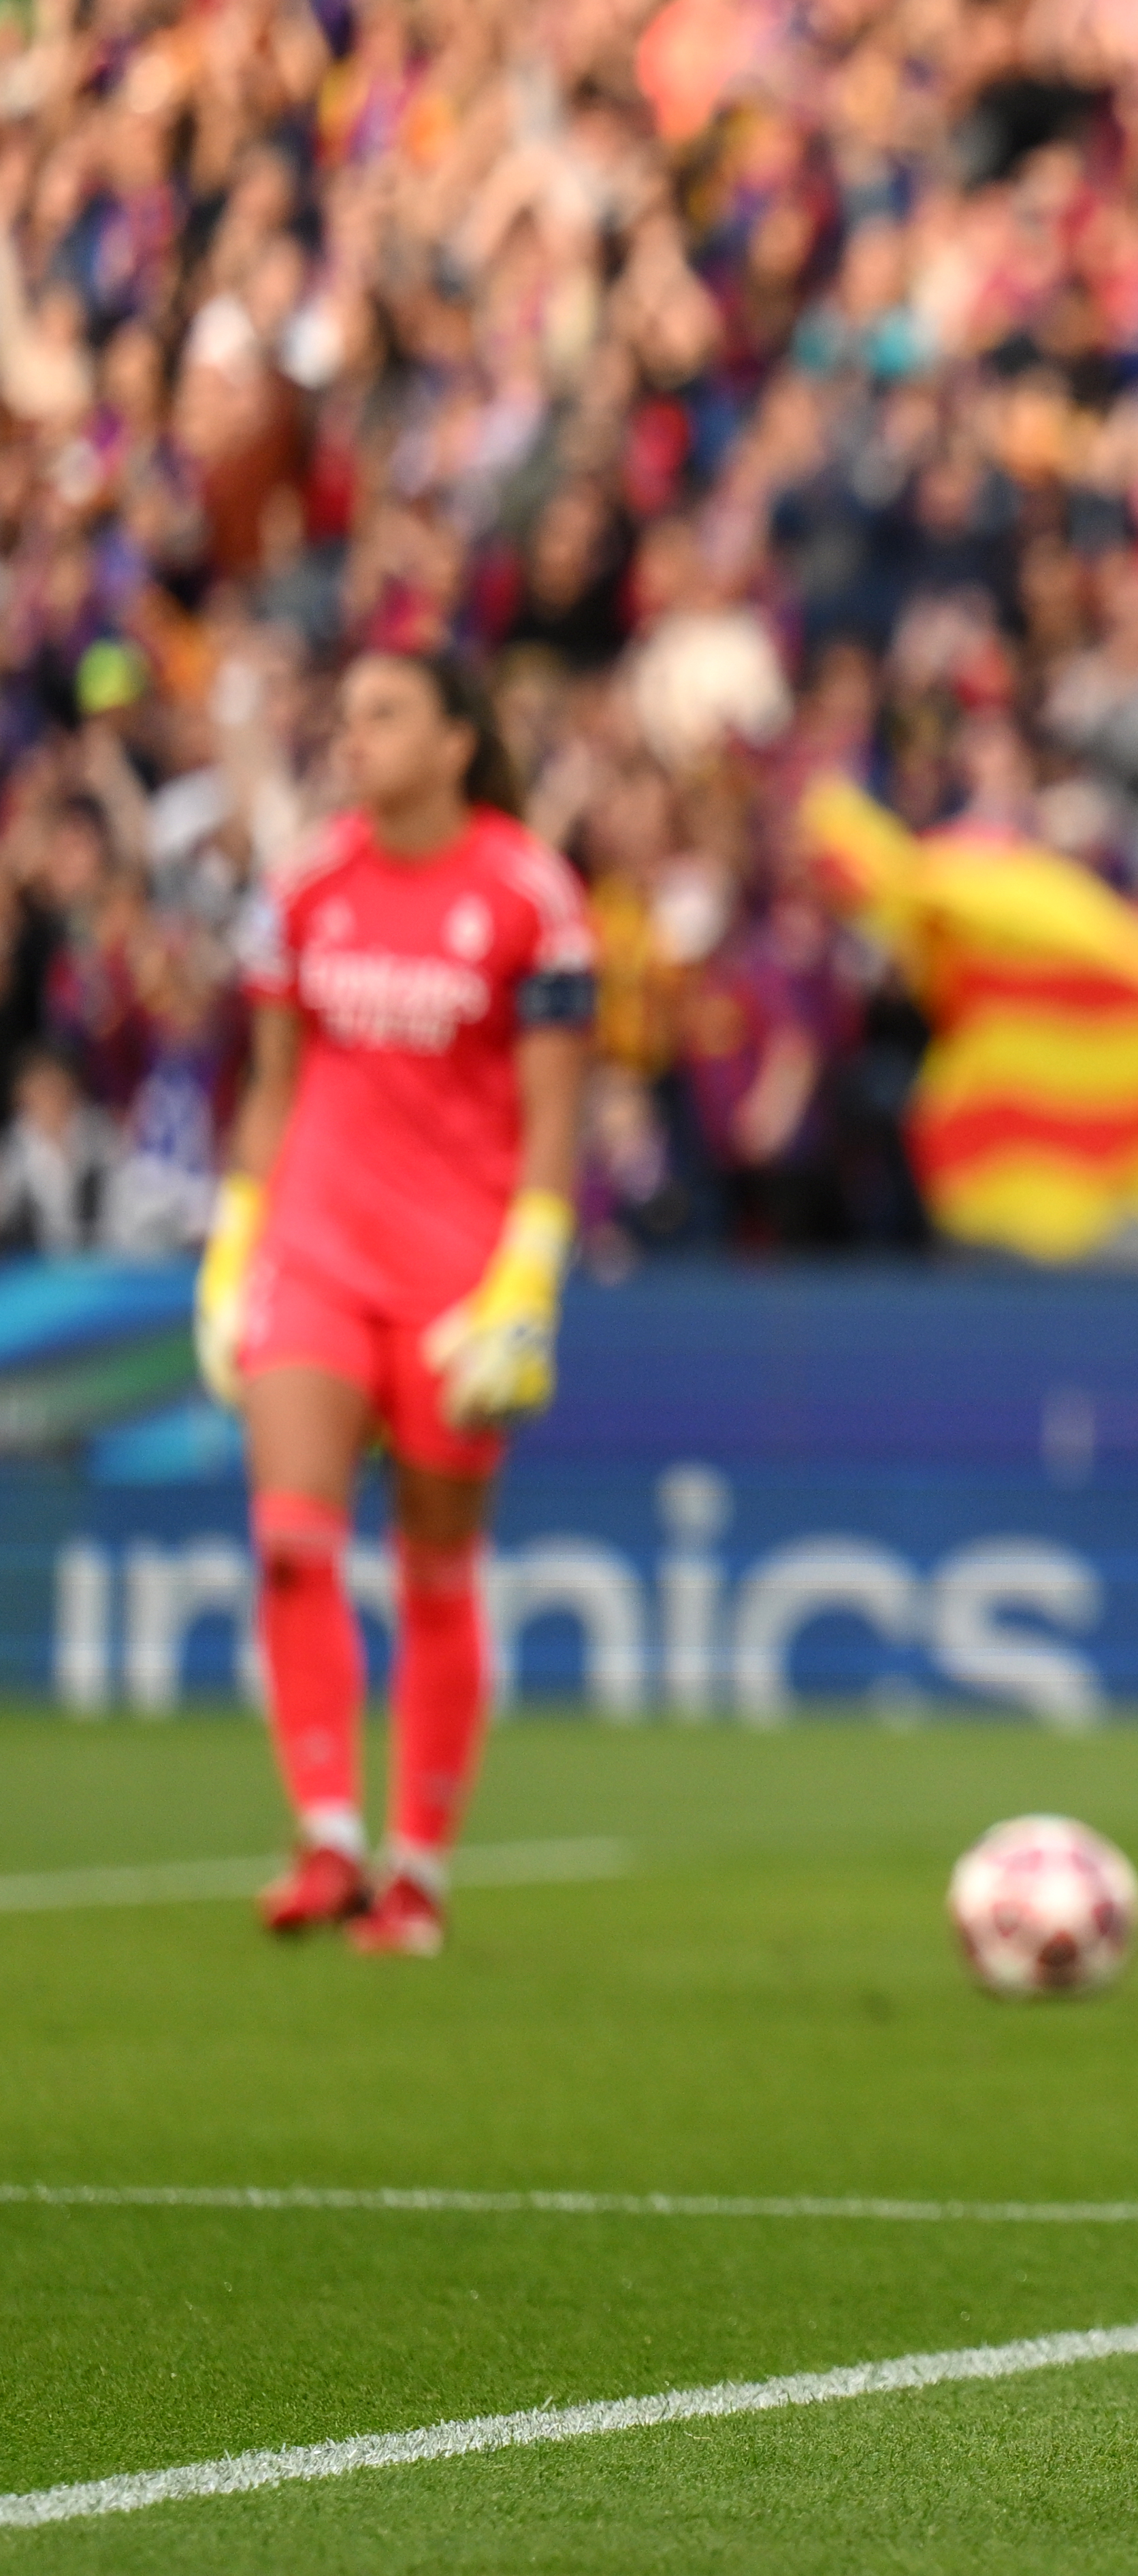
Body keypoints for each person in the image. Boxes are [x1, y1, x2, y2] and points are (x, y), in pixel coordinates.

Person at [194, 651, 591, 1959]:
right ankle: (326, 1837)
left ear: (457, 742)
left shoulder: (532, 896)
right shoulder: (308, 880)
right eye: (348, 711)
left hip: (453, 1283)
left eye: (383, 713)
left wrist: (527, 1279)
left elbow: (551, 1114)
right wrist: (236, 1236)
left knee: (435, 1571)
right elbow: (270, 1079)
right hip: (313, 1251)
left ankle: (415, 1867)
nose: (352, 735)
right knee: (292, 1540)